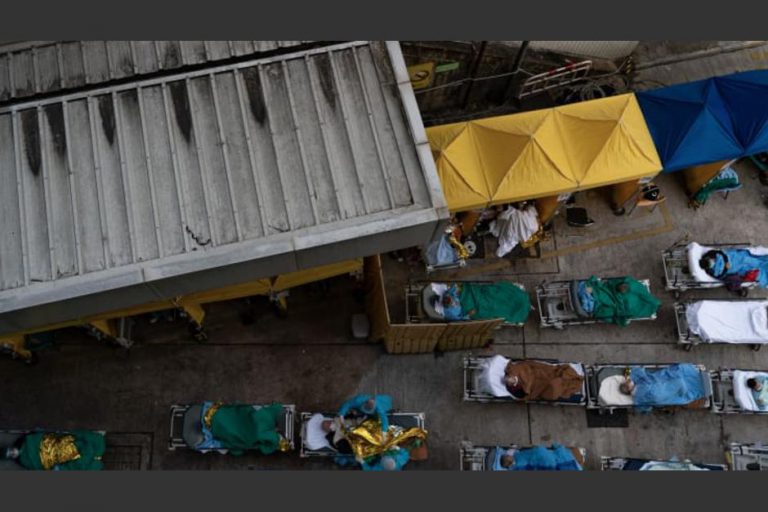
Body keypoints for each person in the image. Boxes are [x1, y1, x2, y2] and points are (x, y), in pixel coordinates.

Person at [5, 430, 105, 470]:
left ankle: (16, 452)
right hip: (48, 455)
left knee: (42, 449)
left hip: (50, 448)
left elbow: (81, 434)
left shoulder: (100, 442)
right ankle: (16, 452)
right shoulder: (99, 444)